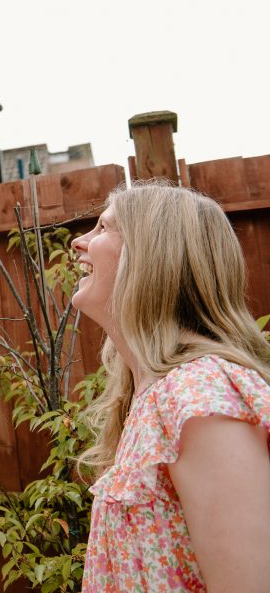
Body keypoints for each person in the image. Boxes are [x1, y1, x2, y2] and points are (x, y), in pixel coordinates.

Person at [73, 181, 270, 592]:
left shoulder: (201, 394)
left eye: (104, 228)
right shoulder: (152, 398)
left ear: (149, 260)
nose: (79, 242)